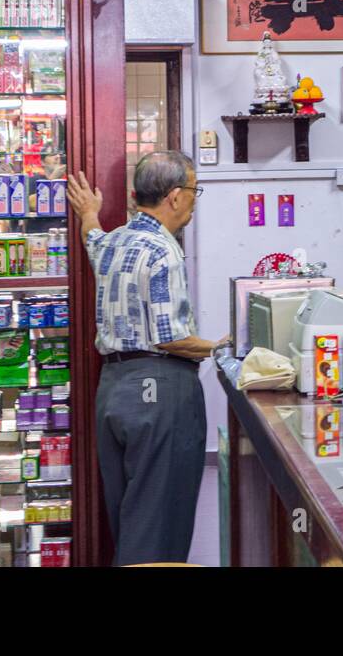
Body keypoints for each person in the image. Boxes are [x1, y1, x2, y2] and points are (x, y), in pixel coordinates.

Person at [66, 152, 227, 566]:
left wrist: (89, 211)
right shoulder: (163, 250)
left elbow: (91, 237)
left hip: (114, 392)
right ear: (174, 197)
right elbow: (170, 338)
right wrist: (223, 347)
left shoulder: (114, 240)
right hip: (160, 392)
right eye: (194, 190)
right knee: (159, 527)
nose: (194, 199)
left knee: (132, 521)